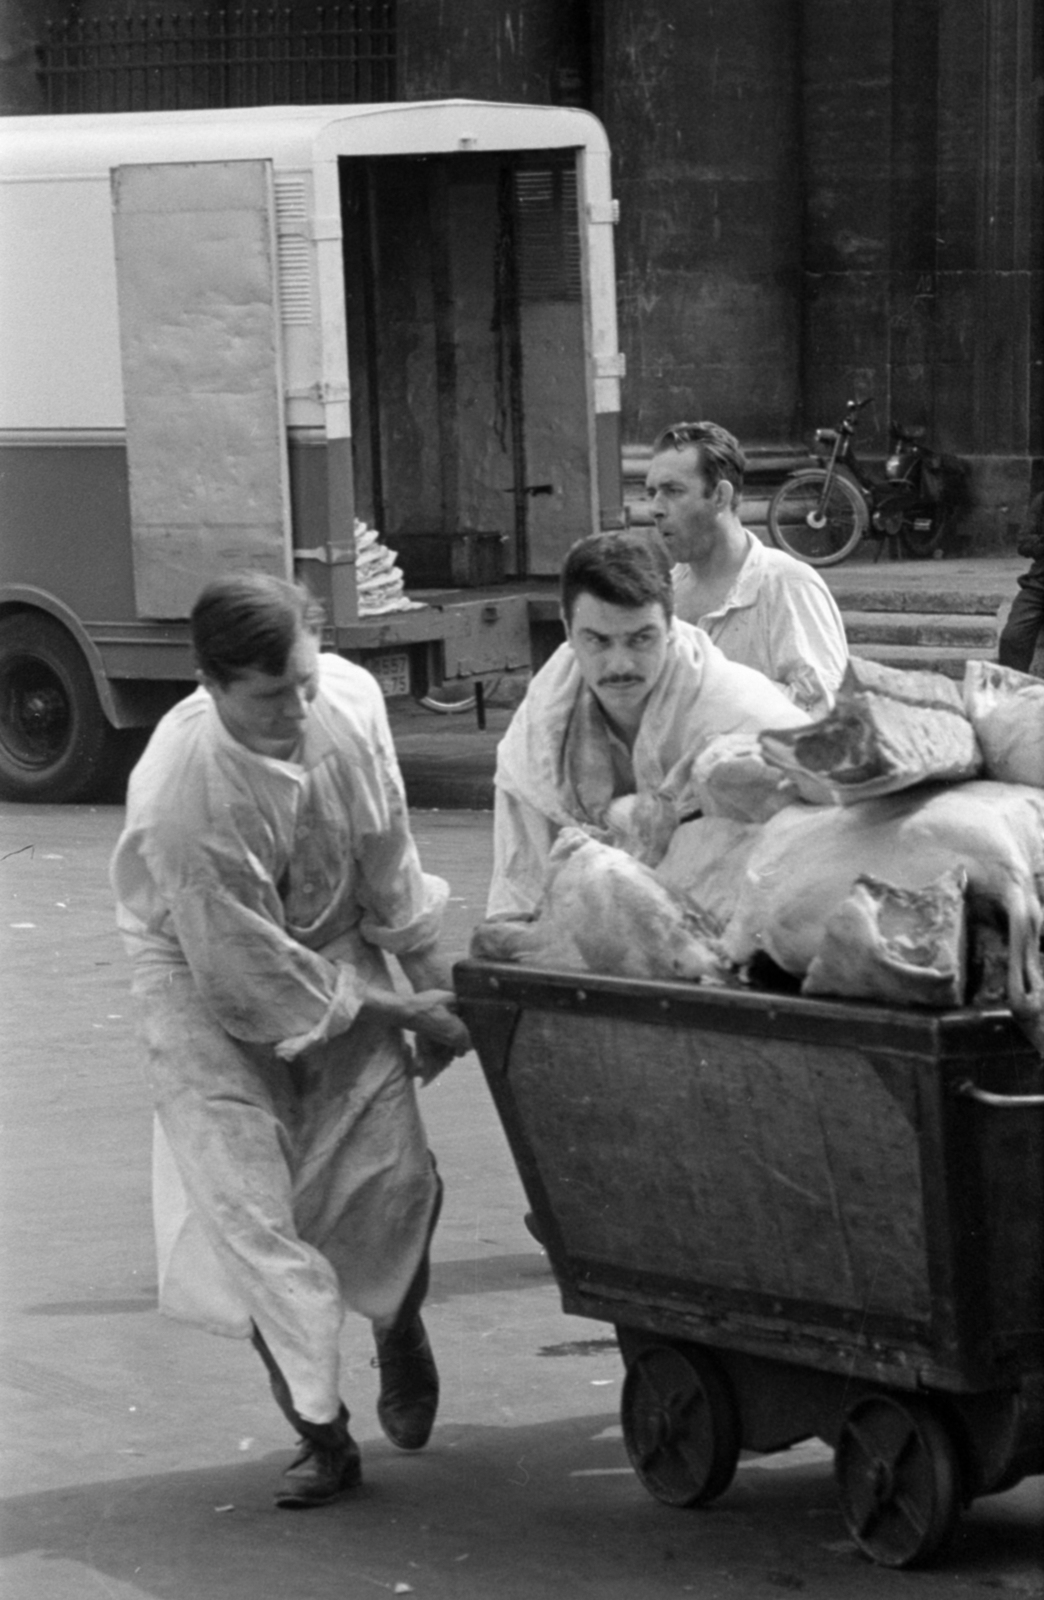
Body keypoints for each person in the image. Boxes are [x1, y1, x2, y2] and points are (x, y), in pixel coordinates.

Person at [110, 573, 471, 1510]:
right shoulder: (181, 795)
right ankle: (321, 1430)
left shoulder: (346, 706)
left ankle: (399, 1324)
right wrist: (399, 1012)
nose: (296, 709)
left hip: (331, 931)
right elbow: (242, 974)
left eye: (305, 682)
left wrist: (433, 983)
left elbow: (388, 856)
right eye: (270, 696)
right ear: (211, 685)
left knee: (394, 1173)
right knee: (251, 1211)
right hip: (199, 978)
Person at [488, 530, 811, 917]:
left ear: (671, 624)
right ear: (567, 629)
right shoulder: (541, 723)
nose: (620, 664)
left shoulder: (738, 711)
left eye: (641, 639)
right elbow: (520, 883)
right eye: (598, 641)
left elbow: (817, 834)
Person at [645, 420, 848, 717]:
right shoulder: (663, 595)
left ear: (720, 497)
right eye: (651, 493)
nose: (655, 509)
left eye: (673, 491)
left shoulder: (787, 586)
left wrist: (712, 692)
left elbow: (825, 712)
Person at [998, 489, 1044, 674]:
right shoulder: (1042, 500)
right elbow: (1024, 542)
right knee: (1012, 637)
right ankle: (1013, 694)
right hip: (1038, 586)